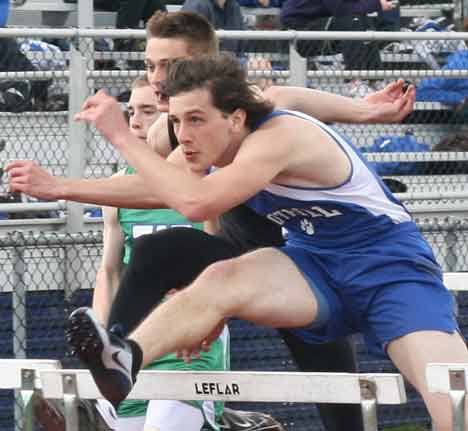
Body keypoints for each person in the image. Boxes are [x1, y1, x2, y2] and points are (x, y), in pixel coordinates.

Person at [6, 10, 416, 431]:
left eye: (170, 65)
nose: (158, 77)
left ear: (203, 64)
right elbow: (160, 190)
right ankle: (113, 376)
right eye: (149, 65)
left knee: (339, 403)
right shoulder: (172, 130)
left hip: (298, 270)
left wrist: (366, 112)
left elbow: (290, 97)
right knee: (159, 250)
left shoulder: (242, 112)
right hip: (232, 258)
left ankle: (232, 416)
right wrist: (61, 187)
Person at [92, 74, 284, 431]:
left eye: (148, 111)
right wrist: (103, 343)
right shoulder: (119, 190)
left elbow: (222, 260)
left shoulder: (207, 180)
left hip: (189, 345)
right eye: (131, 111)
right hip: (133, 343)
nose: (136, 121)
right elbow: (109, 271)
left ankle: (222, 418)